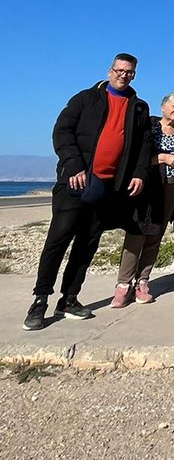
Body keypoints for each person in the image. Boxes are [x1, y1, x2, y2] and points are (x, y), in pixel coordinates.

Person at [24, 54, 152, 332]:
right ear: (110, 71)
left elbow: (144, 145)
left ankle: (69, 299)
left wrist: (140, 174)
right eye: (119, 70)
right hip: (75, 183)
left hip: (107, 188)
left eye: (129, 72)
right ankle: (40, 300)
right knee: (58, 240)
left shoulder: (139, 107)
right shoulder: (85, 99)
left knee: (87, 243)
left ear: (134, 75)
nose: (124, 75)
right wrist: (73, 165)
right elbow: (62, 131)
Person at [111, 90, 174, 307]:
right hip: (149, 184)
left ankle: (142, 281)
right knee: (136, 231)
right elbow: (139, 156)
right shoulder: (150, 126)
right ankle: (123, 284)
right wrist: (164, 157)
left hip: (173, 185)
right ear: (163, 106)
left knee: (156, 232)